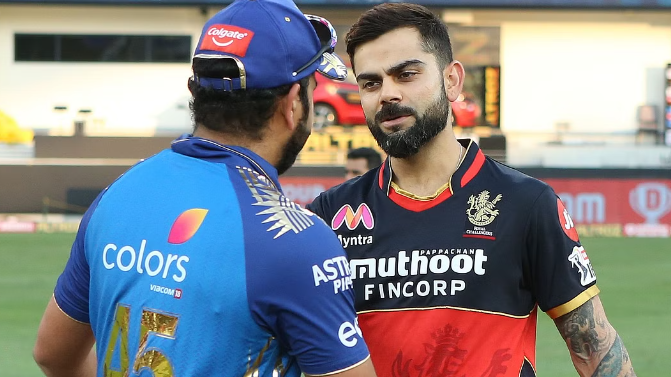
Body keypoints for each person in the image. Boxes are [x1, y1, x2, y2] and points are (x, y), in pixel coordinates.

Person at [32, 1, 377, 376]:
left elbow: (52, 354)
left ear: (195, 91)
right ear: (294, 103)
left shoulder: (118, 193)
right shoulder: (296, 238)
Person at [306, 3, 636, 377]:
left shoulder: (526, 204)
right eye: (371, 82)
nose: (387, 94)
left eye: (407, 74)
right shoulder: (328, 216)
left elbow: (597, 349)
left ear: (452, 81)